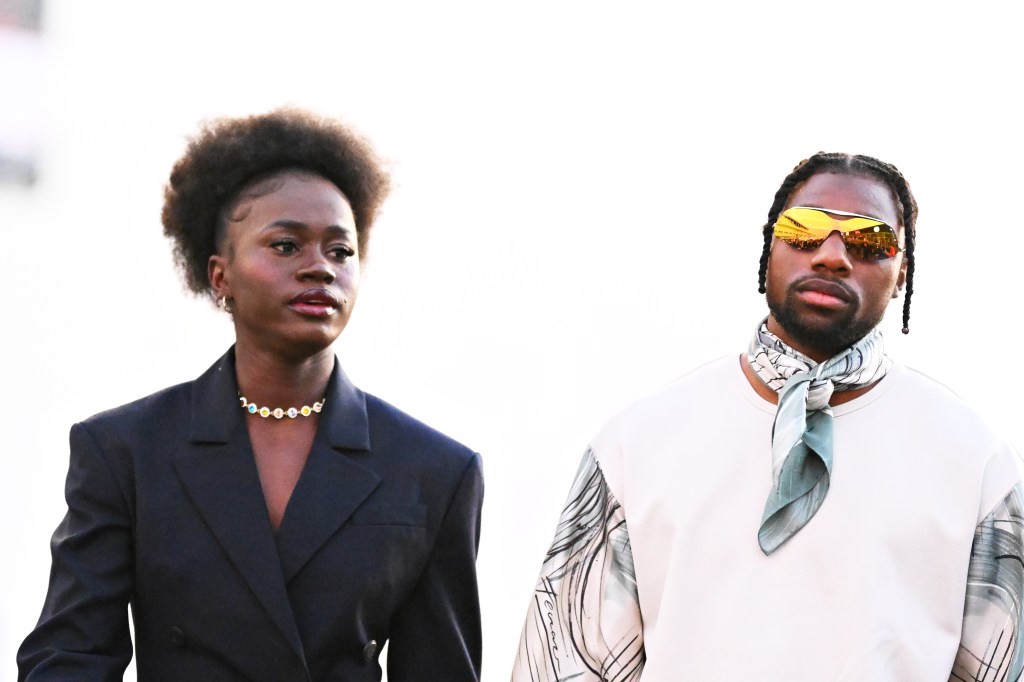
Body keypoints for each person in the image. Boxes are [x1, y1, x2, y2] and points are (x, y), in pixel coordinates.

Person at [511, 152, 1024, 681]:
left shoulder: (975, 460)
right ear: (769, 245)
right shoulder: (637, 442)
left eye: (870, 241)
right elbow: (562, 663)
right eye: (804, 229)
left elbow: (1002, 666)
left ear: (902, 274)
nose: (831, 256)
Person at [18, 108, 484, 681]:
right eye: (287, 246)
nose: (319, 268)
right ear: (220, 277)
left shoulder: (433, 470)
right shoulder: (125, 450)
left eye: (341, 251)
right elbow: (70, 660)